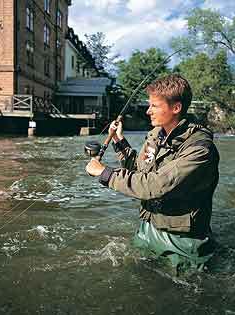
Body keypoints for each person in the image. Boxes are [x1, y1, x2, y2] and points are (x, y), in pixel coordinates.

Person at [85, 74, 219, 272]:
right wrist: (119, 141)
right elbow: (141, 171)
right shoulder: (157, 134)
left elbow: (155, 185)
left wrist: (105, 173)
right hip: (149, 227)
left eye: (154, 106)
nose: (148, 111)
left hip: (183, 242)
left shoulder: (200, 149)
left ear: (176, 108)